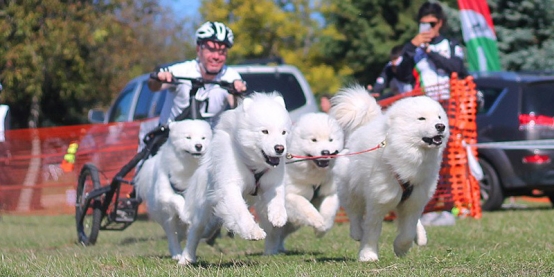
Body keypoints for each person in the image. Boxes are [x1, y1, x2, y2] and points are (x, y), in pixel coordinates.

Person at [148, 21, 247, 127]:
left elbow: (237, 108)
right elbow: (153, 87)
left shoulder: (231, 76)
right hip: (171, 135)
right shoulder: (182, 70)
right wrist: (159, 78)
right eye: (211, 50)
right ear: (198, 49)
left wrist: (238, 93)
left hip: (207, 138)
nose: (216, 56)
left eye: (222, 52)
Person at [395, 2, 468, 101]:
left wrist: (429, 52)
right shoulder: (413, 48)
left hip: (450, 104)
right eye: (424, 24)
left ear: (440, 23)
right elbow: (402, 76)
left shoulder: (450, 44)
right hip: (423, 105)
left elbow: (457, 67)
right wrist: (411, 47)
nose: (428, 28)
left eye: (432, 24)